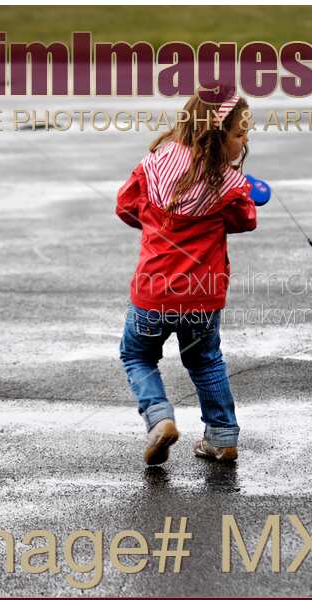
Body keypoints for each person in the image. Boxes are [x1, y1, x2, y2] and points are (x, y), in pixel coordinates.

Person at [115, 87, 256, 466]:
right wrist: (245, 194)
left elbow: (125, 206)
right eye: (240, 135)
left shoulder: (155, 164)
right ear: (217, 137)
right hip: (202, 295)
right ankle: (222, 437)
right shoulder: (227, 185)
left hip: (153, 293)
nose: (244, 142)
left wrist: (150, 219)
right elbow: (245, 221)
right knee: (206, 361)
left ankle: (159, 416)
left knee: (137, 354)